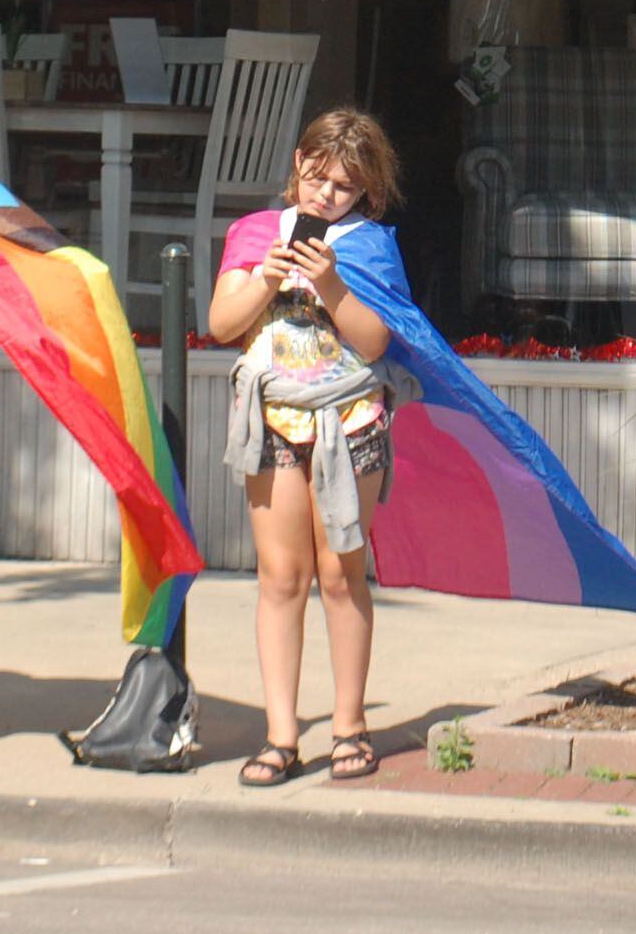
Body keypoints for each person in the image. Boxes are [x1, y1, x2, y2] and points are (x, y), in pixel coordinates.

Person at [208, 108, 404, 786]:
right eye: (317, 178)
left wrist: (329, 281)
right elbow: (221, 323)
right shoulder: (257, 232)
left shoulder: (371, 245)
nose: (325, 195)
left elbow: (377, 340)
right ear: (296, 164)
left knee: (340, 575)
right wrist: (268, 275)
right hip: (272, 425)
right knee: (281, 577)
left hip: (349, 421)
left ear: (365, 193)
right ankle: (282, 735)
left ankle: (348, 726)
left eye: (343, 187)